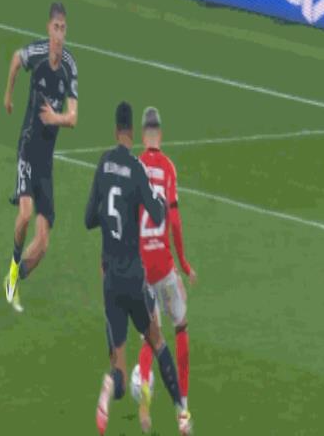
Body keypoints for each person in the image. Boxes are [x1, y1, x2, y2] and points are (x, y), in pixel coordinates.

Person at [85, 102, 191, 436]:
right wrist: (154, 201)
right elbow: (159, 215)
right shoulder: (136, 168)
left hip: (109, 280)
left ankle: (108, 386)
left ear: (114, 129)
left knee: (119, 371)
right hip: (134, 276)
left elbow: (89, 218)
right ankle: (182, 415)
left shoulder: (103, 163)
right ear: (132, 132)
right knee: (158, 341)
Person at [3, 1, 79, 313]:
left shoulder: (70, 66)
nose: (59, 34)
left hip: (46, 162)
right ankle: (12, 264)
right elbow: (15, 59)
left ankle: (13, 279)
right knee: (24, 215)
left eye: (63, 29)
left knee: (44, 243)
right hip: (28, 146)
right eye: (55, 28)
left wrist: (55, 118)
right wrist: (8, 95)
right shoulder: (36, 53)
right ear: (48, 28)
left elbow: (73, 117)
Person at [137, 107, 196, 425]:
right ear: (159, 133)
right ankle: (183, 409)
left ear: (142, 134)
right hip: (164, 266)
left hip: (141, 268)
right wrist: (183, 264)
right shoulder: (168, 167)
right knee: (181, 326)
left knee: (151, 335)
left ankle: (145, 402)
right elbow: (174, 220)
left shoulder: (134, 166)